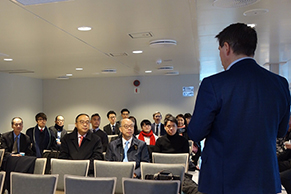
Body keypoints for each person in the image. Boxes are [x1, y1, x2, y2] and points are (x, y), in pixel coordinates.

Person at [188, 23, 290, 194]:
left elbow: (196, 132)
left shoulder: (213, 84)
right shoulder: (280, 84)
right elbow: (281, 131)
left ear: (226, 47)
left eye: (219, 48)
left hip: (224, 181)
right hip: (264, 180)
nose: (220, 54)